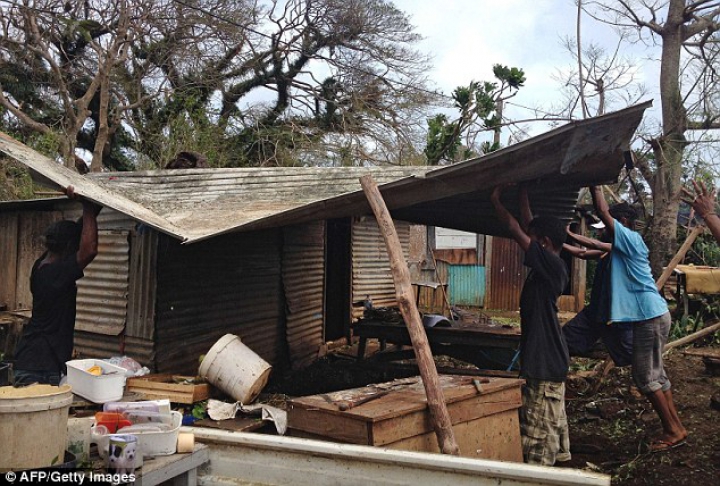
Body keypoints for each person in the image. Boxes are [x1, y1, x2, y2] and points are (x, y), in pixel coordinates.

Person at [582, 186, 687, 452]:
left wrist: (596, 183)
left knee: (645, 378)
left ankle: (673, 430)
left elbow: (604, 211)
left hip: (648, 317)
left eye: (607, 225)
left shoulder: (628, 237)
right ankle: (676, 427)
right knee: (657, 376)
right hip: (653, 315)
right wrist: (569, 235)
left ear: (623, 223)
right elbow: (593, 246)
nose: (603, 229)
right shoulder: (623, 245)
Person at [491, 184, 571, 466]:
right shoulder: (548, 265)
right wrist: (524, 191)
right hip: (548, 361)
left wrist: (497, 201)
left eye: (535, 240)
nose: (530, 242)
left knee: (537, 443)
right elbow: (528, 224)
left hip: (544, 366)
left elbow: (516, 228)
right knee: (551, 437)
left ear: (545, 244)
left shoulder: (553, 266)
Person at [13, 186, 102, 386]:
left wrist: (91, 201)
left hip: (35, 360)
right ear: (70, 248)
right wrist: (87, 204)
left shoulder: (44, 263)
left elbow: (80, 232)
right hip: (38, 367)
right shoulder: (53, 275)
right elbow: (89, 250)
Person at [563, 217, 633, 368]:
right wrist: (560, 243)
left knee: (631, 356)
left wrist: (570, 233)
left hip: (617, 316)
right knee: (565, 338)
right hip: (597, 311)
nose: (599, 232)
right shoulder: (606, 252)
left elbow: (596, 243)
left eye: (603, 229)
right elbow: (582, 253)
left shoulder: (627, 247)